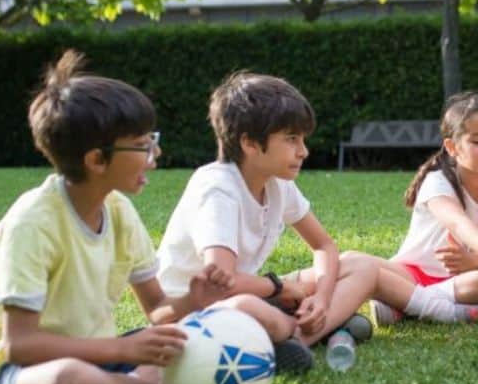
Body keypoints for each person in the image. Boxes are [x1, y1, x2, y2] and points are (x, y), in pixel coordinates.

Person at [0, 50, 233, 384]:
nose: (154, 154)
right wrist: (124, 347)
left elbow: (158, 309)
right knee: (67, 380)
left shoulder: (118, 210)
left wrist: (192, 302)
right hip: (19, 373)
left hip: (102, 354)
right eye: (143, 145)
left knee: (190, 345)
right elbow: (19, 344)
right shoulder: (33, 223)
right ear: (96, 159)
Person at [155, 72, 373, 368]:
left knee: (360, 266)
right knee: (248, 307)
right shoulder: (218, 189)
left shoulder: (276, 181)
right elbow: (221, 283)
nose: (303, 151)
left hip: (250, 294)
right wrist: (279, 288)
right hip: (195, 313)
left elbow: (323, 246)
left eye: (302, 139)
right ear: (250, 144)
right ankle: (300, 333)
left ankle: (298, 331)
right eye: (291, 139)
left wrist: (320, 299)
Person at [340, 92, 478, 327]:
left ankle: (406, 304)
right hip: (410, 274)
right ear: (452, 147)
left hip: (463, 282)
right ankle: (448, 310)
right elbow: (458, 223)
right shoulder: (437, 181)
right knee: (350, 260)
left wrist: (472, 262)